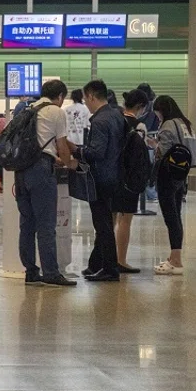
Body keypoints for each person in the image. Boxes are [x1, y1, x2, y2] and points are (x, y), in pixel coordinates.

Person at [14, 80, 77, 287]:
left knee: (27, 224)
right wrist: (70, 164)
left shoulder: (27, 108)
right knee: (46, 224)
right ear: (59, 96)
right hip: (41, 171)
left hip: (21, 171)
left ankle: (31, 272)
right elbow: (61, 145)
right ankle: (51, 272)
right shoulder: (55, 112)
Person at [70, 80, 127, 282]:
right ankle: (97, 264)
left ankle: (110, 268)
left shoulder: (100, 121)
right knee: (105, 223)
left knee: (102, 224)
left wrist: (76, 150)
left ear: (92, 97)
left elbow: (96, 152)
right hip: (115, 176)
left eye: (86, 98)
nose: (85, 102)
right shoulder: (116, 115)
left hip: (101, 178)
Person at [148, 95, 194, 276]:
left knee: (170, 217)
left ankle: (176, 260)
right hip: (181, 174)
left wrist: (153, 144)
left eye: (157, 113)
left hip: (167, 174)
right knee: (176, 215)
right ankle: (175, 256)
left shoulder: (168, 125)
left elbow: (163, 150)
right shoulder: (185, 123)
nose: (157, 117)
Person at [113, 89, 149, 274]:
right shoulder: (139, 126)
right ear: (140, 107)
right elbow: (139, 156)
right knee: (125, 220)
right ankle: (121, 260)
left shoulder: (115, 121)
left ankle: (105, 258)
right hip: (129, 179)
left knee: (110, 219)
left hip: (111, 176)